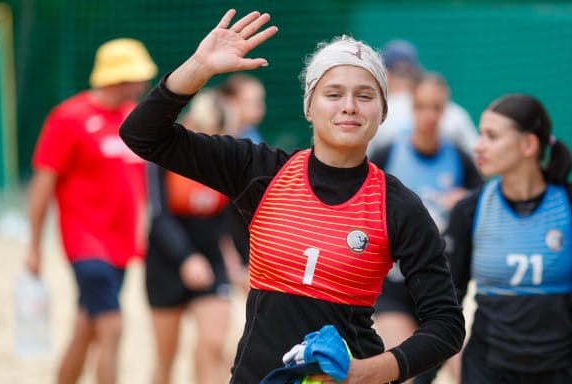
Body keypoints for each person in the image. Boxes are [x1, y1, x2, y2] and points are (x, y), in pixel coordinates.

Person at [119, 10, 464, 383]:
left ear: (382, 113)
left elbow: (446, 324)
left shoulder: (398, 206)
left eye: (365, 95)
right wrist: (199, 67)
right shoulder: (260, 171)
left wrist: (369, 372)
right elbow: (142, 134)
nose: (349, 105)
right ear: (308, 107)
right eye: (333, 94)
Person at [444, 93, 572, 383]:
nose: (478, 146)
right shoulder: (469, 210)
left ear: (528, 144)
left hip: (558, 371)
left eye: (491, 136)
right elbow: (446, 306)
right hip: (485, 371)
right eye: (480, 134)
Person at [25, 38, 157, 384]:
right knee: (112, 327)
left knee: (87, 326)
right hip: (85, 241)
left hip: (122, 243)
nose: (144, 81)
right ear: (119, 76)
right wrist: (34, 245)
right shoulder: (69, 118)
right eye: (138, 74)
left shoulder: (133, 117)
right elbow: (42, 185)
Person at [368, 72, 482, 384]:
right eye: (422, 106)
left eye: (437, 107)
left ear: (446, 111)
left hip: (441, 290)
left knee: (468, 374)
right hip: (395, 286)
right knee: (402, 373)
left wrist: (466, 201)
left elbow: (485, 207)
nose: (429, 115)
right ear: (412, 109)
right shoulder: (387, 154)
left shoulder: (459, 160)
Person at [145, 92, 243, 384]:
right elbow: (158, 216)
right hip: (167, 260)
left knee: (213, 345)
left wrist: (242, 260)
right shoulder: (163, 156)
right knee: (166, 358)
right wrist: (185, 257)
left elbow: (233, 218)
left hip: (211, 258)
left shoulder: (224, 157)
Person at [367, 39, 478, 156]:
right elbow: (477, 157)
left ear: (384, 74)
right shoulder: (455, 113)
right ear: (417, 70)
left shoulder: (377, 113)